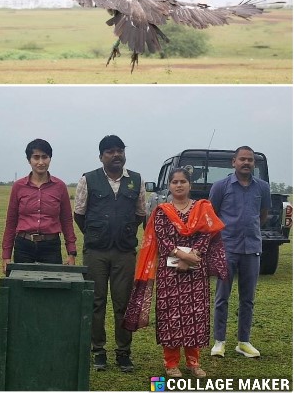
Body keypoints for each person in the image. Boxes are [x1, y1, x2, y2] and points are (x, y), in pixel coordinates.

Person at [123, 168, 227, 379]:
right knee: (171, 316)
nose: (179, 185)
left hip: (196, 272)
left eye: (183, 182)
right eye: (174, 182)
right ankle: (171, 364)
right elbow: (163, 239)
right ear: (169, 186)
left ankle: (193, 362)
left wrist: (192, 257)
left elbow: (207, 234)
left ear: (190, 185)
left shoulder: (202, 208)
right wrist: (182, 256)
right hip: (169, 273)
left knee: (194, 316)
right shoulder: (161, 211)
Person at [73, 134, 145, 373]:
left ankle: (124, 353)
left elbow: (140, 214)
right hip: (96, 252)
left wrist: (122, 232)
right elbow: (80, 213)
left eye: (120, 150)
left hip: (124, 252)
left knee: (123, 302)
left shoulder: (136, 180)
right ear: (101, 156)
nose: (116, 155)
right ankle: (98, 351)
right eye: (110, 151)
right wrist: (98, 234)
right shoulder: (88, 179)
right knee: (95, 302)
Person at [209, 146, 271, 359]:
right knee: (222, 297)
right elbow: (213, 216)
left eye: (250, 160)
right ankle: (219, 341)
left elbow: (262, 215)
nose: (246, 163)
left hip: (252, 249)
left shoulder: (262, 188)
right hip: (227, 248)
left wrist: (250, 231)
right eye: (242, 159)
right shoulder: (220, 187)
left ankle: (243, 342)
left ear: (253, 163)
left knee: (248, 299)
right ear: (233, 162)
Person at [2, 138, 77, 274]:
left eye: (45, 157)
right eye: (36, 157)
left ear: (50, 158)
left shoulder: (60, 187)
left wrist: (71, 252)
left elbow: (66, 220)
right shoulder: (18, 187)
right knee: (22, 289)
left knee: (51, 289)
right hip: (24, 246)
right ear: (29, 160)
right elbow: (11, 221)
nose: (41, 162)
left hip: (50, 247)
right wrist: (6, 255)